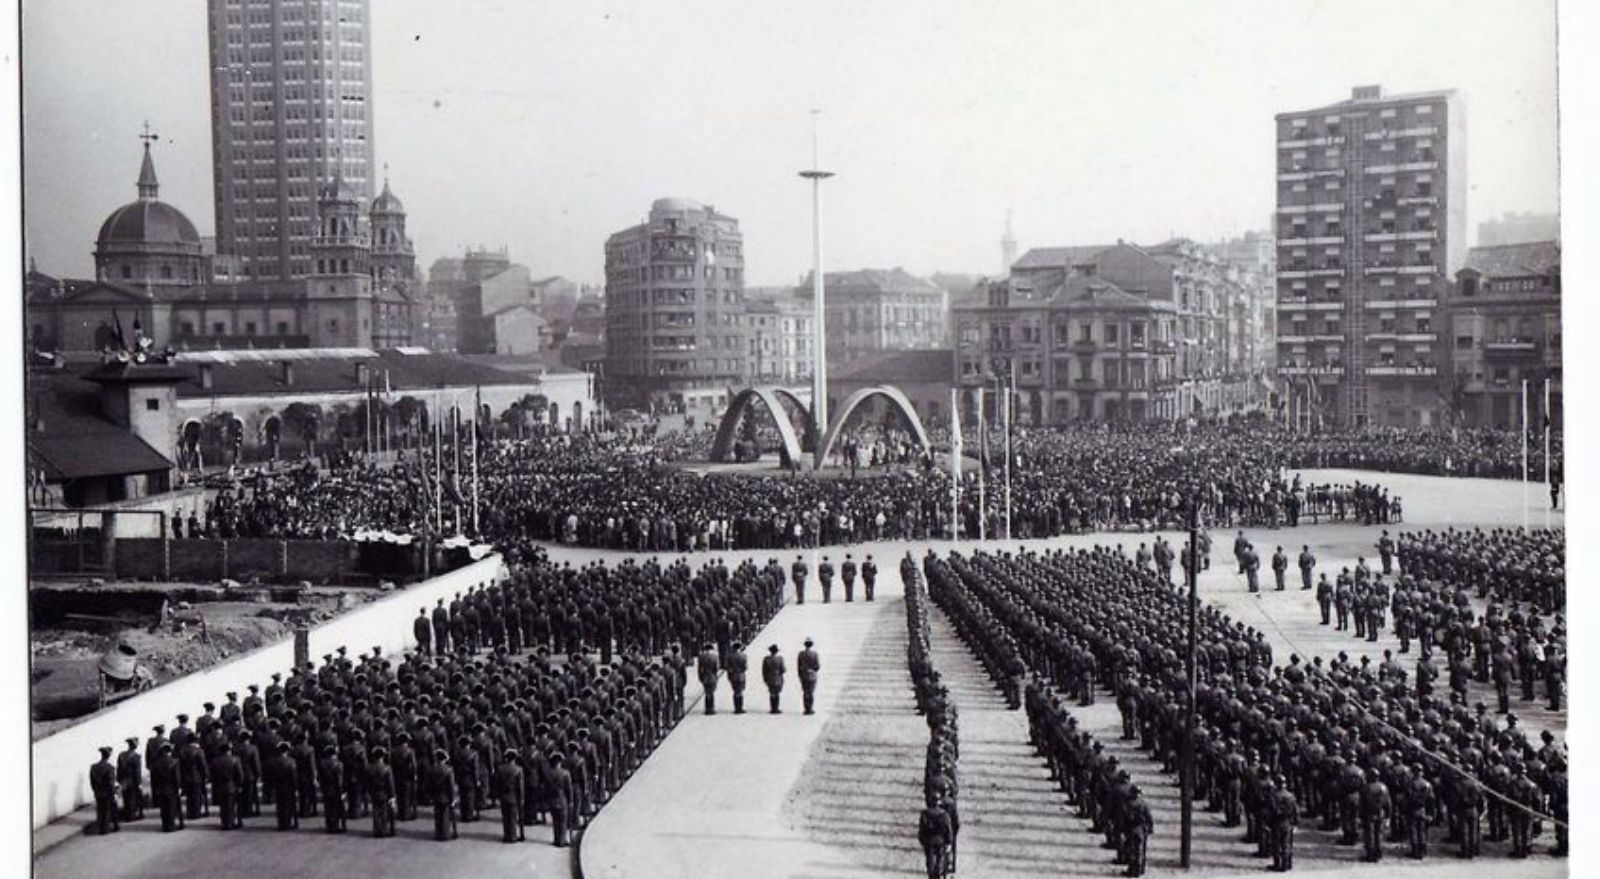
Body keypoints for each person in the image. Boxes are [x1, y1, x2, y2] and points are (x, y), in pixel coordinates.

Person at [210, 740, 245, 830]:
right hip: (232, 785)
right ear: (229, 750)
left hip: (220, 786)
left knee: (223, 806)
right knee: (231, 805)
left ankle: (224, 822)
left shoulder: (215, 760)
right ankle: (230, 822)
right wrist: (240, 785)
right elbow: (239, 774)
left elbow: (213, 775)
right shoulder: (235, 759)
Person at [150, 742, 183, 832]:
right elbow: (176, 777)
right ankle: (171, 826)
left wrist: (155, 789)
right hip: (171, 788)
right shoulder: (174, 761)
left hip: (161, 789)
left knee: (164, 808)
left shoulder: (156, 763)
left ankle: (165, 825)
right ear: (170, 751)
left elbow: (154, 779)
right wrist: (179, 788)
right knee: (172, 807)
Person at [493, 751, 525, 843]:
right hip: (514, 796)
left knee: (505, 816)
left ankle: (506, 835)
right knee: (513, 817)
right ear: (514, 759)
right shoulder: (518, 769)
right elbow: (520, 786)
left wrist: (498, 795)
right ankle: (512, 836)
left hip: (503, 796)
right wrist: (522, 798)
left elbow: (497, 784)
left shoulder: (500, 769)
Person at [267, 741, 299, 831]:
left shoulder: (273, 761)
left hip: (278, 786)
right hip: (288, 786)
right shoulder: (291, 761)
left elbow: (271, 775)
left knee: (280, 805)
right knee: (288, 805)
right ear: (287, 751)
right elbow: (294, 776)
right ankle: (288, 823)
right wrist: (296, 787)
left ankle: (281, 823)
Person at [90, 747, 120, 836]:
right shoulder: (110, 768)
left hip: (98, 792)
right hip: (108, 793)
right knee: (109, 809)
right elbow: (111, 783)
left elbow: (92, 782)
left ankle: (101, 827)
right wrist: (114, 793)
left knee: (100, 810)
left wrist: (95, 791)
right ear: (109, 756)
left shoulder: (93, 767)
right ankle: (107, 828)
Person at [918, 800, 952, 879]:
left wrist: (922, 840)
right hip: (940, 840)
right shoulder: (944, 814)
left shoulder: (925, 813)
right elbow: (948, 829)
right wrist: (949, 841)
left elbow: (922, 828)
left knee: (929, 859)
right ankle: (938, 873)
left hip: (929, 840)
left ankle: (931, 874)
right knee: (940, 857)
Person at [430, 750, 458, 841]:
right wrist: (453, 798)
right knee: (445, 816)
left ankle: (438, 833)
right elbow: (451, 786)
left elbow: (429, 784)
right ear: (445, 759)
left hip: (436, 795)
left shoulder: (432, 769)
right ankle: (445, 834)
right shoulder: (448, 770)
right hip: (446, 796)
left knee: (438, 816)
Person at [368, 746, 396, 838]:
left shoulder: (370, 768)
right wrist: (392, 796)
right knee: (384, 812)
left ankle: (376, 830)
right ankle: (383, 830)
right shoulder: (387, 768)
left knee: (375, 812)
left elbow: (368, 781)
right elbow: (390, 783)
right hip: (384, 792)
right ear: (383, 756)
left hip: (374, 792)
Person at [117, 737, 144, 822]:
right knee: (133, 798)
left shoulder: (121, 755)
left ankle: (127, 814)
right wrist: (139, 783)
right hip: (133, 780)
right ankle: (131, 816)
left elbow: (118, 769)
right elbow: (137, 771)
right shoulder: (136, 756)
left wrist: (119, 780)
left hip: (124, 780)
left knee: (126, 797)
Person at [697, 641, 721, 715]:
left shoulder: (701, 657)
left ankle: (707, 708)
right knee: (711, 692)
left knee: (707, 692)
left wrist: (701, 677)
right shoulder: (715, 656)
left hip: (704, 676)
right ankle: (711, 708)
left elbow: (699, 668)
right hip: (712, 676)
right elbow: (717, 667)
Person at [798, 638, 821, 715]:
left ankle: (806, 708)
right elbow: (817, 666)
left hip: (804, 675)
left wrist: (800, 675)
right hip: (812, 675)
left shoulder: (801, 654)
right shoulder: (815, 654)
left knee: (805, 692)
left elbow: (798, 666)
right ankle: (810, 708)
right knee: (811, 692)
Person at [762, 644, 786, 713]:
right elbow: (783, 669)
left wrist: (765, 678)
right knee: (777, 693)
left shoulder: (766, 659)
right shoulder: (780, 659)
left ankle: (772, 708)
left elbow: (764, 670)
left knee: (772, 693)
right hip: (778, 677)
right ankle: (776, 708)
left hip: (770, 677)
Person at [727, 641, 749, 714]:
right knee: (740, 692)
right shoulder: (743, 656)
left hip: (733, 675)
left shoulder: (730, 656)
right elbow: (745, 667)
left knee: (735, 692)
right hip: (741, 676)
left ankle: (736, 708)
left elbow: (728, 667)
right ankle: (740, 708)